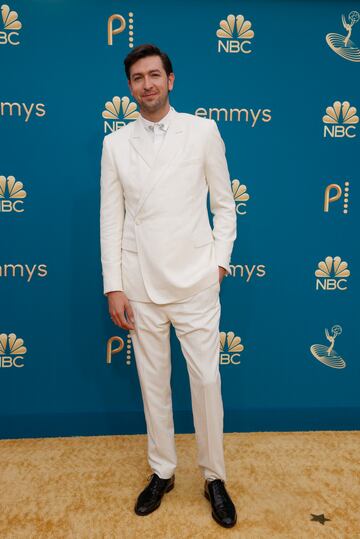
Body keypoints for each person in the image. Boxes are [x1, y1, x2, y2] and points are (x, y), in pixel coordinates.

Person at [100, 43, 237, 528]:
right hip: (140, 285)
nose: (147, 84)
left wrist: (218, 265)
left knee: (206, 382)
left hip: (196, 282)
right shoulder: (115, 143)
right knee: (153, 385)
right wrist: (113, 286)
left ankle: (214, 477)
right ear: (130, 87)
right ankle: (163, 470)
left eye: (154, 75)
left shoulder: (203, 131)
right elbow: (110, 221)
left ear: (171, 79)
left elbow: (225, 205)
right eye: (138, 78)